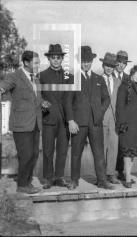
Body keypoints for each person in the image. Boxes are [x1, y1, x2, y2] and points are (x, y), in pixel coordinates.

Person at [64, 46, 115, 190]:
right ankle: (74, 181)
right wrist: (70, 120)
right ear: (79, 62)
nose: (86, 63)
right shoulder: (73, 79)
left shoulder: (99, 79)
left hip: (95, 122)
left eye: (88, 61)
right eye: (83, 61)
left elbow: (106, 99)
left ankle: (102, 180)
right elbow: (67, 102)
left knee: (99, 154)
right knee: (75, 153)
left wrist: (99, 112)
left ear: (92, 61)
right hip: (78, 123)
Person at [0, 50, 44, 194]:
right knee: (25, 155)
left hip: (36, 123)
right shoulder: (14, 76)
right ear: (26, 62)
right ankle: (22, 186)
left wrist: (43, 103)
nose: (38, 65)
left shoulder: (35, 78)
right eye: (36, 62)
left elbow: (35, 98)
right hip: (21, 125)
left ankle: (27, 182)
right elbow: (3, 86)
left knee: (34, 155)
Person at [39, 44, 72, 189]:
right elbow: (37, 95)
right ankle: (48, 178)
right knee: (47, 150)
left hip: (65, 120)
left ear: (62, 59)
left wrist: (71, 118)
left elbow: (71, 99)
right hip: (48, 119)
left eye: (59, 58)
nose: (56, 60)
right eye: (53, 58)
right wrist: (42, 102)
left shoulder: (68, 76)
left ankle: (59, 177)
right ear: (49, 58)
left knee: (63, 150)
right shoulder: (42, 76)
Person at [115, 65, 137, 188]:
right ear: (133, 71)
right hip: (128, 124)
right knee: (127, 151)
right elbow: (119, 107)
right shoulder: (124, 86)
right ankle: (128, 178)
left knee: (132, 152)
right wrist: (122, 124)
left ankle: (127, 174)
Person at [101, 52, 121, 184]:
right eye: (107, 65)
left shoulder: (118, 81)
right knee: (101, 147)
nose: (109, 68)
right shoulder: (97, 79)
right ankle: (101, 175)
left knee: (114, 146)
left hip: (115, 119)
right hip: (101, 118)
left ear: (114, 67)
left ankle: (110, 173)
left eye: (111, 66)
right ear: (103, 65)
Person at [113, 50, 132, 181]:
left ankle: (121, 172)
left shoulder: (128, 79)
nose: (121, 65)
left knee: (123, 145)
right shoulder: (108, 76)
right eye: (119, 62)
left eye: (123, 63)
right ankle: (110, 172)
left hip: (124, 117)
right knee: (111, 145)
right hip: (111, 115)